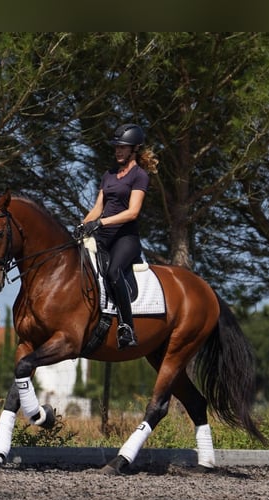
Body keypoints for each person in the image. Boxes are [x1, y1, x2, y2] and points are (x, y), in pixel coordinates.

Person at [77, 123, 159, 349]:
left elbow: (132, 212)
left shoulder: (139, 176)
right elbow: (97, 208)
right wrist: (83, 224)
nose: (118, 151)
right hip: (103, 236)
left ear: (134, 149)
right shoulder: (109, 175)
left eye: (122, 148)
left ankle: (127, 327)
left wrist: (101, 222)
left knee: (113, 271)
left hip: (126, 238)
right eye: (116, 148)